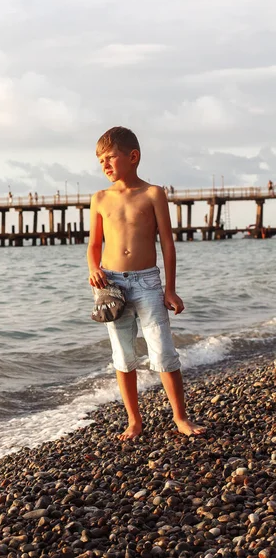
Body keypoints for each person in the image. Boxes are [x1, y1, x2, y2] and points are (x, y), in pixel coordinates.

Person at [87, 126, 205, 441]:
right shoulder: (99, 198)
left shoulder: (153, 194)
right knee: (123, 356)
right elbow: (93, 246)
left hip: (148, 283)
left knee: (163, 352)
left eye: (110, 158)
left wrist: (170, 287)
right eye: (101, 162)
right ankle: (134, 421)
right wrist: (92, 269)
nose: (105, 166)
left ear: (133, 157)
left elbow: (167, 243)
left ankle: (180, 417)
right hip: (112, 285)